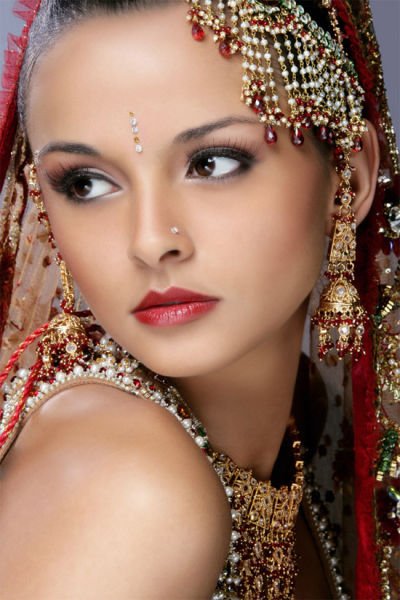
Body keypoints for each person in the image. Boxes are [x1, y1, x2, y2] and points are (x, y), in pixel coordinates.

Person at [0, 0, 398, 597]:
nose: (151, 241)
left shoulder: (306, 426)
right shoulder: (126, 486)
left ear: (349, 176)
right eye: (86, 182)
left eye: (211, 163)